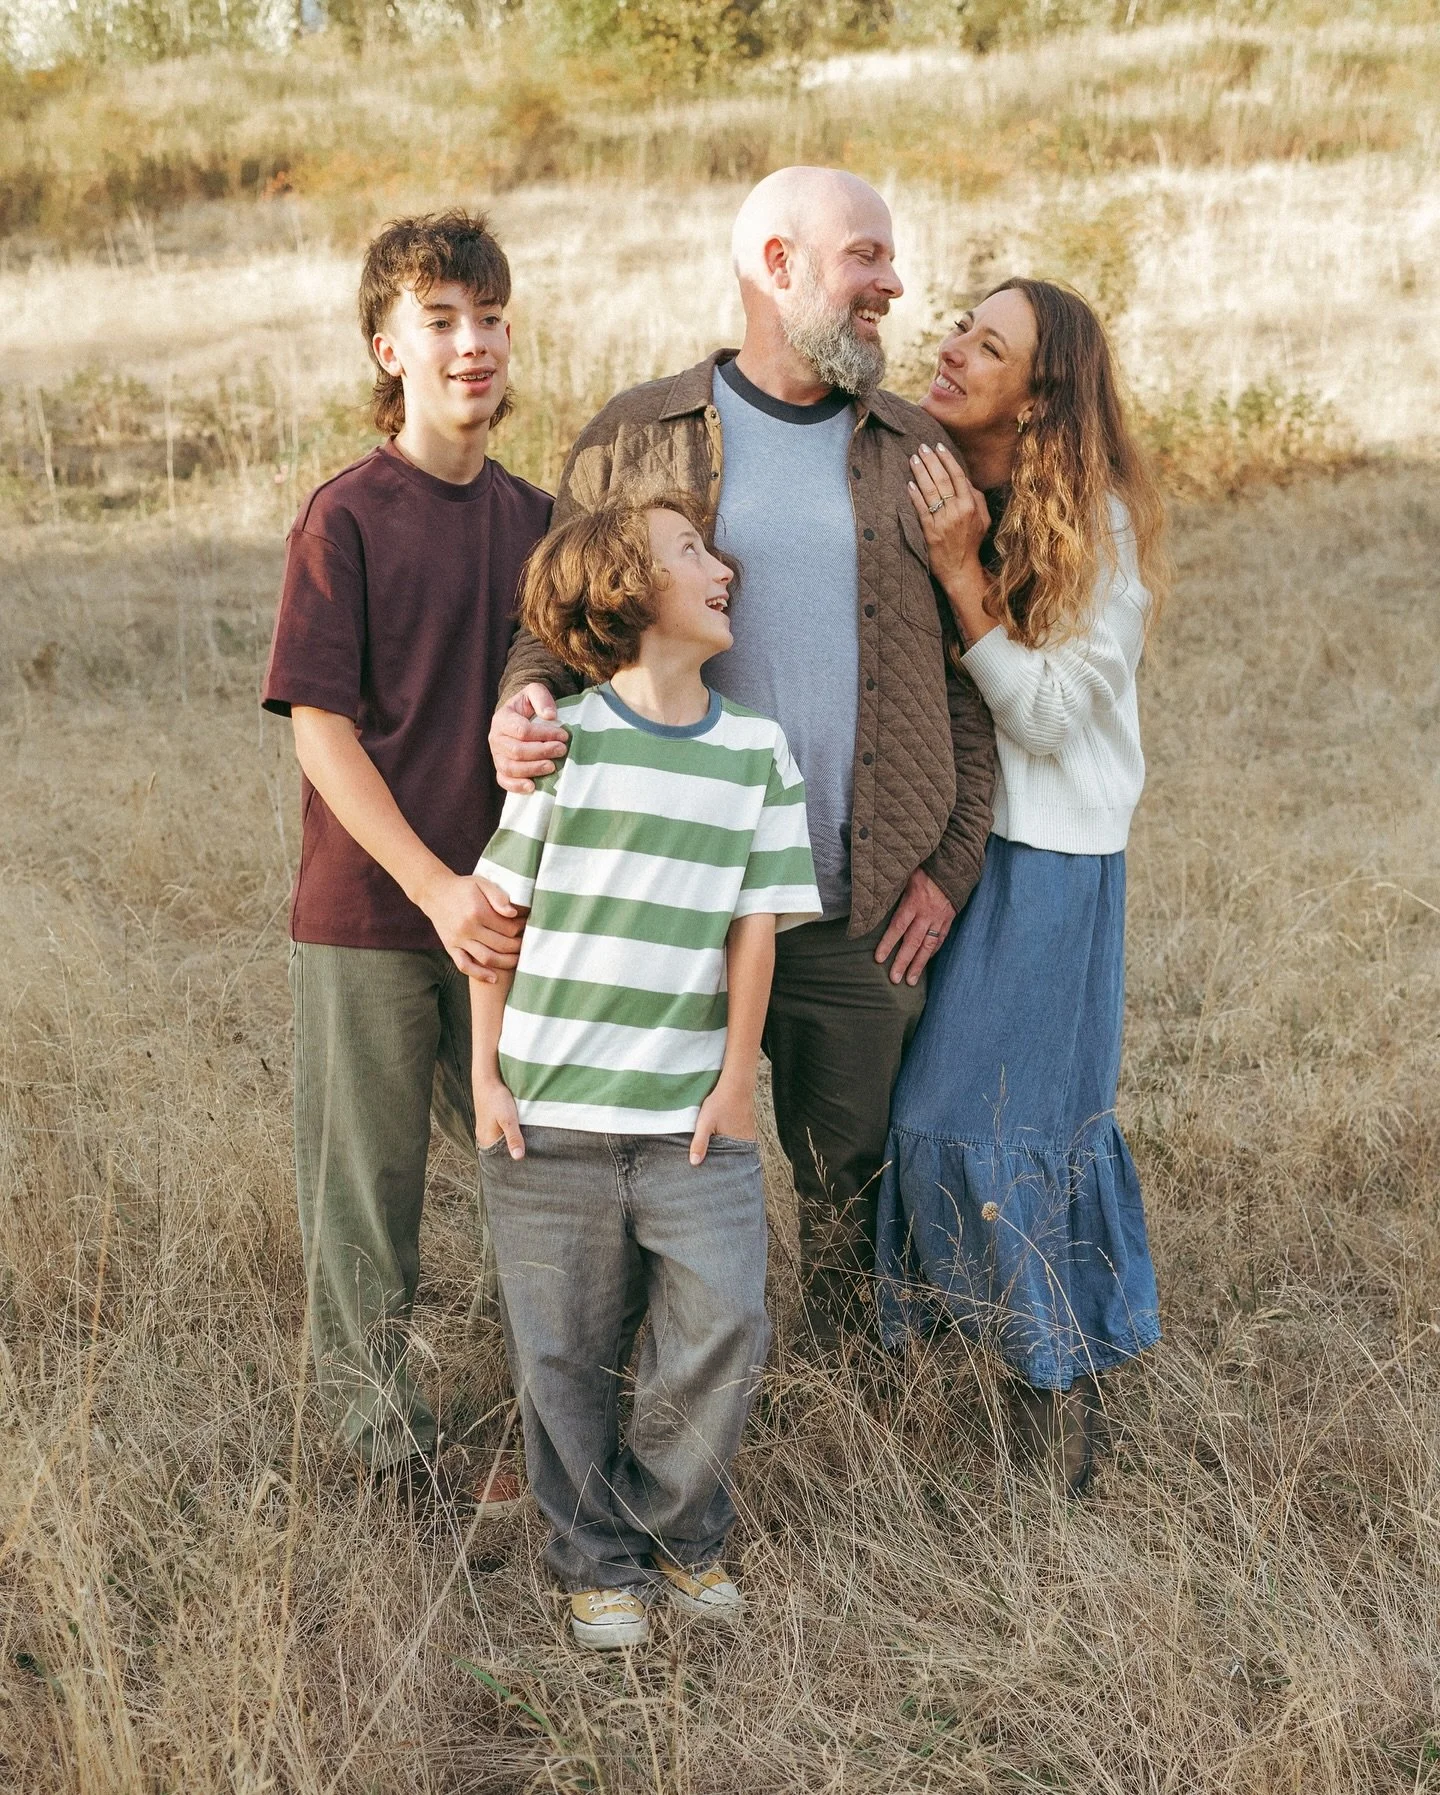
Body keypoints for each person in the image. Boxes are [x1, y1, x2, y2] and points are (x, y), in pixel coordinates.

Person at [488, 166, 996, 1348]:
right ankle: (633, 1403)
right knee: (637, 1183)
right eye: (866, 254)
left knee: (852, 1191)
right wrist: (522, 701)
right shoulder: (637, 432)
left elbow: (975, 680)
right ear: (779, 264)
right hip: (665, 904)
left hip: (861, 909)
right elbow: (549, 628)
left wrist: (951, 865)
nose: (894, 282)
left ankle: (839, 1419)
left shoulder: (914, 449)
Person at [470, 492, 821, 1650]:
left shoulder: (755, 752)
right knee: (560, 1348)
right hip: (549, 1118)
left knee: (725, 1316)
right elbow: (496, 923)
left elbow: (755, 928)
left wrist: (736, 1083)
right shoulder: (564, 749)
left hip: (692, 1118)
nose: (723, 566)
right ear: (626, 594)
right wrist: (485, 1077)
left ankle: (682, 1532)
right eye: (690, 552)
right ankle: (592, 1562)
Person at [260, 211, 550, 1502]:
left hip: (512, 919)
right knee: (368, 1202)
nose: (471, 343)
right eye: (441, 321)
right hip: (378, 912)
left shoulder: (543, 520)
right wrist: (433, 884)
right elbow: (320, 730)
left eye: (487, 317)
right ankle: (389, 1457)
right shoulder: (347, 518)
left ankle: (564, 1417)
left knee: (538, 1172)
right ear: (391, 345)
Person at [874, 278, 1170, 1492]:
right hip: (946, 849)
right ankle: (968, 1394)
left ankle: (1056, 1398)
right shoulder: (929, 477)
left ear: (1039, 393)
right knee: (935, 1124)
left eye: (985, 346)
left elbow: (1047, 715)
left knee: (997, 1128)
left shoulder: (1094, 528)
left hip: (1047, 860)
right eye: (959, 326)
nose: (950, 350)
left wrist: (962, 577)